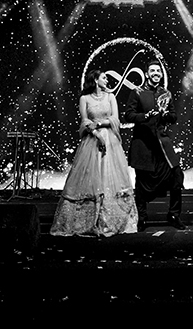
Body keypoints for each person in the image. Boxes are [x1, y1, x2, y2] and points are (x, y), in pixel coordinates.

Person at [50, 70, 138, 237]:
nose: (107, 80)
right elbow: (84, 121)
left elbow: (115, 119)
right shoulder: (84, 98)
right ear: (96, 80)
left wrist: (98, 124)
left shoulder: (110, 97)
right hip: (91, 141)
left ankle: (111, 220)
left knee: (109, 176)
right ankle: (87, 220)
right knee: (90, 176)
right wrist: (96, 133)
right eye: (104, 77)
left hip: (110, 141)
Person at [120, 61, 185, 230]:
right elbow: (128, 115)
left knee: (177, 176)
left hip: (162, 144)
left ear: (161, 74)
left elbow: (173, 117)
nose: (156, 73)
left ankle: (174, 215)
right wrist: (145, 116)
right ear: (147, 74)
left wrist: (166, 114)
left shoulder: (166, 93)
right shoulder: (137, 92)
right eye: (152, 71)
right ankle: (141, 217)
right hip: (143, 145)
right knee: (142, 183)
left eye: (158, 71)